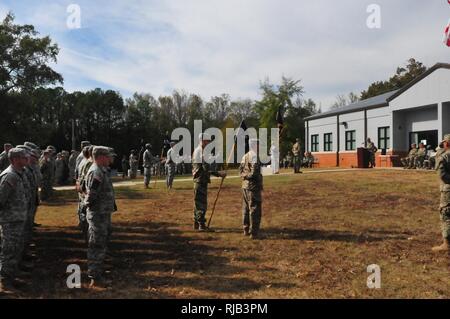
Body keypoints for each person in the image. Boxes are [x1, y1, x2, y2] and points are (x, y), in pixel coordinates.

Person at [84, 146, 117, 288]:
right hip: (98, 214)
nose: (110, 158)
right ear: (100, 156)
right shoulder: (96, 172)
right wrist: (90, 208)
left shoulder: (102, 170)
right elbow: (91, 195)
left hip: (103, 213)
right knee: (96, 244)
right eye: (107, 156)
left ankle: (98, 271)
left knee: (101, 242)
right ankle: (95, 276)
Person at [0, 148, 28, 294]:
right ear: (16, 159)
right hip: (10, 221)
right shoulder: (9, 176)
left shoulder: (18, 174)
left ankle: (10, 277)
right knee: (8, 251)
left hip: (17, 219)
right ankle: (4, 282)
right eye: (24, 157)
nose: (27, 159)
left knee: (15, 249)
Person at [192, 133, 227, 231]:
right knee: (201, 204)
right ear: (202, 140)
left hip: (198, 180)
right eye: (207, 141)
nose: (208, 143)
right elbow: (206, 168)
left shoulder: (197, 150)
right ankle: (201, 225)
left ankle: (196, 223)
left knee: (197, 203)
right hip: (201, 180)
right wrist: (219, 174)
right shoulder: (202, 151)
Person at [240, 139, 263, 239]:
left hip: (245, 186)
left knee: (245, 209)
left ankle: (245, 229)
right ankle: (254, 232)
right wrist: (247, 176)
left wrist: (244, 176)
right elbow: (254, 173)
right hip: (253, 187)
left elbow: (240, 170)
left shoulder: (245, 156)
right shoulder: (254, 156)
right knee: (255, 209)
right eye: (258, 144)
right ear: (255, 145)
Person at [433, 134, 450, 252]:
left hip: (448, 190)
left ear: (446, 143)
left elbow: (442, 175)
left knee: (446, 215)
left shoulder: (443, 157)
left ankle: (447, 244)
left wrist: (439, 151)